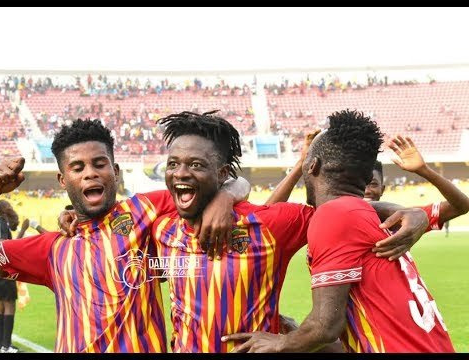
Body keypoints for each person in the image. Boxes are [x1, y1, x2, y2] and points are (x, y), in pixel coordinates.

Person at [150, 111, 430, 353]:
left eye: (196, 165)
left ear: (223, 174)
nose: (180, 173)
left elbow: (342, 209)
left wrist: (413, 212)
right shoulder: (160, 229)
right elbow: (161, 277)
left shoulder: (271, 225)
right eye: (173, 164)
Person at [0, 119, 248, 353]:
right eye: (77, 168)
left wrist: (225, 196)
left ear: (115, 171)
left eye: (99, 164)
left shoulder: (146, 210)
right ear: (63, 180)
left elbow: (233, 182)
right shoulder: (54, 247)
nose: (90, 172)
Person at [223, 110, 455, 352]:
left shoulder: (334, 215)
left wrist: (281, 342)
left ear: (312, 165)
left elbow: (325, 327)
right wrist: (294, 331)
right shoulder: (359, 213)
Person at [364, 136, 469, 243]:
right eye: (361, 184)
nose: (367, 190)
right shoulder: (346, 220)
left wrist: (424, 170)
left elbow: (460, 207)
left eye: (373, 184)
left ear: (382, 190)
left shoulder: (407, 218)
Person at [0, 201, 28, 353]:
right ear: (5, 209)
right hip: (3, 272)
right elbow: (5, 247)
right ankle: (6, 345)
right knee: (9, 305)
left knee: (0, 306)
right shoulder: (0, 224)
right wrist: (23, 231)